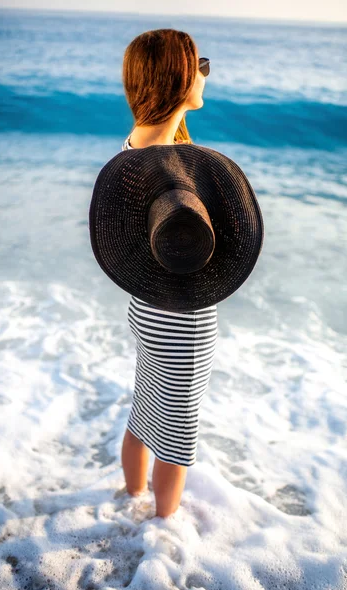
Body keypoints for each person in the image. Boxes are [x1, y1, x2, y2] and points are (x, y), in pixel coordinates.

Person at [119, 28, 213, 519]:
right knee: (176, 441)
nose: (205, 75)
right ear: (178, 77)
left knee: (143, 412)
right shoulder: (179, 165)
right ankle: (161, 535)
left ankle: (129, 500)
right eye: (200, 66)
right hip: (184, 321)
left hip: (144, 309)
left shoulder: (132, 149)